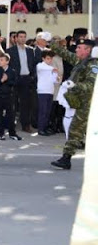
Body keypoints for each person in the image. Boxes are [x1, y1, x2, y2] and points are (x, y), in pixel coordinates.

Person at [50, 38, 97, 170]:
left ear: (87, 50)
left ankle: (66, 159)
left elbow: (91, 85)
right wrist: (52, 43)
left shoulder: (93, 65)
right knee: (75, 130)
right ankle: (66, 159)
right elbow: (64, 53)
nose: (76, 49)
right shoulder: (80, 61)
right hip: (82, 103)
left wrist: (74, 85)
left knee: (76, 130)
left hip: (89, 103)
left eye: (79, 48)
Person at [7, 31, 37, 133]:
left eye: (24, 37)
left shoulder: (30, 50)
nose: (22, 39)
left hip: (26, 79)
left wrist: (32, 77)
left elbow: (33, 65)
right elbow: (8, 66)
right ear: (16, 38)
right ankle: (11, 124)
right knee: (13, 103)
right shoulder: (10, 51)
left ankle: (26, 125)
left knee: (26, 104)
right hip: (15, 79)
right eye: (20, 37)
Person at [0, 54, 21, 140]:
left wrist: (7, 80)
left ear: (7, 61)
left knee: (11, 115)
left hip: (9, 96)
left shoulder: (12, 71)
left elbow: (15, 83)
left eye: (2, 60)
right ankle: (1, 133)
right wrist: (1, 80)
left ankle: (12, 133)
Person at [36, 50, 58, 136]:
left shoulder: (51, 68)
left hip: (50, 91)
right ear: (43, 58)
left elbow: (54, 80)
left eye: (51, 59)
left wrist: (56, 77)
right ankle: (41, 129)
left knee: (48, 111)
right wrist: (53, 69)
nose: (50, 60)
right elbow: (44, 68)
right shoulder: (40, 65)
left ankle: (45, 128)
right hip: (42, 91)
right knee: (43, 111)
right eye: (48, 58)